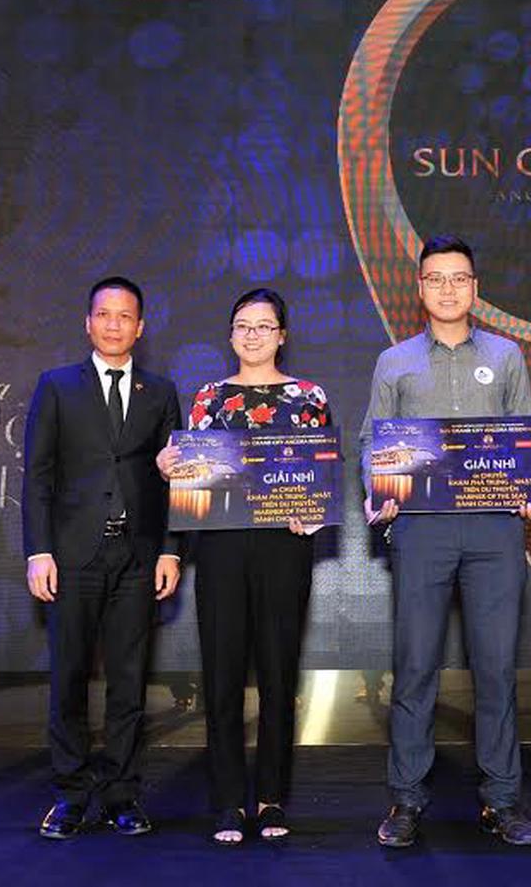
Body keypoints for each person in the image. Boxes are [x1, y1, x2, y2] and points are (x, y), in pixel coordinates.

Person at [361, 235, 531, 848]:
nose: (447, 289)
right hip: (421, 529)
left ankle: (502, 801)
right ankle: (406, 800)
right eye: (436, 278)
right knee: (416, 666)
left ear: (475, 287)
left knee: (495, 669)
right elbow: (372, 440)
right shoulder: (394, 362)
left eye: (458, 278)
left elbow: (523, 435)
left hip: (496, 528)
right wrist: (379, 488)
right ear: (419, 288)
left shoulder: (507, 355)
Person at [156, 288, 330, 845]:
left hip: (285, 548)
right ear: (231, 335)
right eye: (243, 325)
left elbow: (321, 473)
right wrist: (169, 468)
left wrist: (311, 511)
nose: (253, 335)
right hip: (221, 548)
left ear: (282, 335)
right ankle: (229, 800)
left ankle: (272, 796)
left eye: (264, 325)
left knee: (279, 674)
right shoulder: (208, 399)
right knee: (223, 673)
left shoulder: (309, 397)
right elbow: (192, 480)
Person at [22, 275, 184, 840]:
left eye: (125, 316)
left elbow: (177, 480)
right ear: (88, 322)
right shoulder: (56, 386)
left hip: (138, 556)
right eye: (104, 314)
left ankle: (121, 793)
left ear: (140, 328)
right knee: (68, 678)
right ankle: (70, 794)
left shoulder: (161, 392)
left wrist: (170, 550)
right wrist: (39, 551)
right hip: (71, 555)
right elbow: (37, 476)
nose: (114, 324)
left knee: (128, 682)